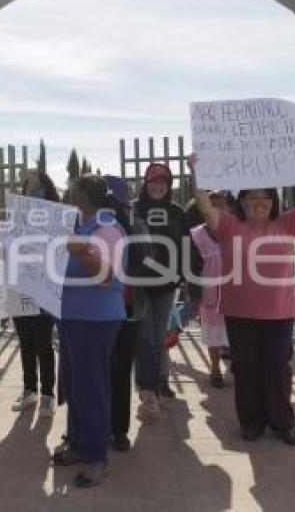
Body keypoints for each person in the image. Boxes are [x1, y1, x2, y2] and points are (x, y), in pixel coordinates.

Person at [187, 151, 295, 445]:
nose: (258, 203)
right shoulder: (229, 226)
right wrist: (196, 173)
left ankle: (282, 422)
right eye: (251, 198)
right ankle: (251, 422)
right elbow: (204, 207)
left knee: (278, 369)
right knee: (247, 370)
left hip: (279, 314)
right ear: (241, 202)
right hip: (240, 313)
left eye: (264, 198)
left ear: (273, 202)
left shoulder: (288, 224)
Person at [52, 175, 127, 488]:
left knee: (91, 387)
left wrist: (82, 252)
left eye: (74, 190)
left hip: (96, 320)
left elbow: (107, 275)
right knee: (75, 384)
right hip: (73, 318)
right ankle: (79, 444)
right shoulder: (79, 227)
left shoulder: (106, 229)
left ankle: (96, 457)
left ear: (83, 196)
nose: (70, 194)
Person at [132, 163, 186, 421]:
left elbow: (186, 247)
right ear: (145, 183)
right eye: (153, 181)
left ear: (169, 184)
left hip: (166, 286)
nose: (157, 185)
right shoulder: (134, 210)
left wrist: (184, 278)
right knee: (146, 340)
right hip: (139, 285)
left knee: (158, 337)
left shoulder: (176, 212)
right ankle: (148, 393)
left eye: (162, 181)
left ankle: (153, 388)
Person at [10, 169, 59, 416]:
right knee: (26, 341)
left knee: (43, 343)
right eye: (27, 185)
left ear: (45, 186)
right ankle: (29, 390)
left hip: (43, 287)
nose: (31, 189)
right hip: (20, 285)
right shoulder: (17, 215)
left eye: (36, 184)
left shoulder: (55, 215)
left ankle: (48, 394)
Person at [103, 175, 146, 452]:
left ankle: (118, 429)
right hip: (98, 309)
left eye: (113, 203)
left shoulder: (134, 226)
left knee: (119, 371)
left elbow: (144, 260)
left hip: (125, 308)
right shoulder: (83, 226)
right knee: (101, 371)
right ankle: (102, 425)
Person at [189, 190, 235, 388]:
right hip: (210, 291)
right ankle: (215, 369)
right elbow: (191, 265)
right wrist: (193, 294)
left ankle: (238, 366)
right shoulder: (197, 234)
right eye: (212, 203)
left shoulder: (238, 229)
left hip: (237, 291)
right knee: (212, 331)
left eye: (221, 203)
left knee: (237, 331)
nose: (217, 207)